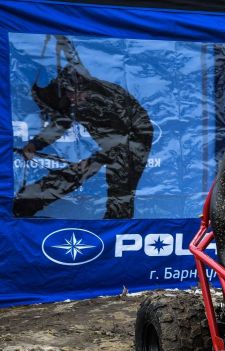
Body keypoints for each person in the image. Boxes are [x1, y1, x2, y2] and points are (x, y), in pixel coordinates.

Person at [14, 35, 153, 219]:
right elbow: (61, 122)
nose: (73, 99)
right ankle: (24, 205)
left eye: (76, 95)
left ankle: (116, 224)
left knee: (120, 184)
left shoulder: (104, 98)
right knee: (75, 173)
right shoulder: (69, 93)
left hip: (133, 134)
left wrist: (105, 155)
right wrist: (36, 144)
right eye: (69, 95)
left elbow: (120, 138)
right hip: (112, 139)